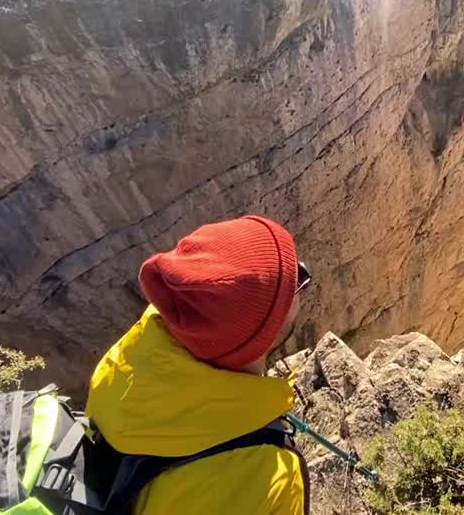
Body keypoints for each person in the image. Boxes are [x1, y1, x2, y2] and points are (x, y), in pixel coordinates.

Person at [86, 215, 312, 514]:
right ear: (263, 334)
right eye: (294, 285)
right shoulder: (267, 478)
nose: (303, 274)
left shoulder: (127, 359)